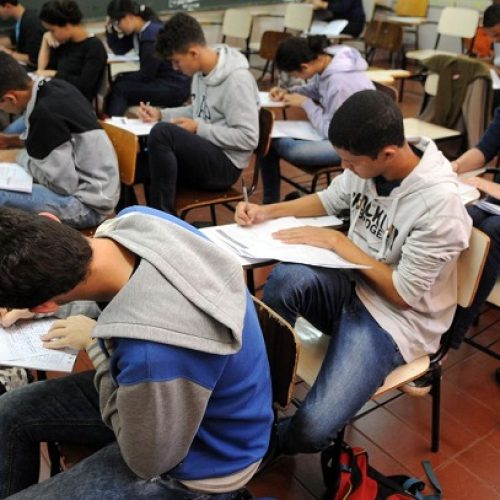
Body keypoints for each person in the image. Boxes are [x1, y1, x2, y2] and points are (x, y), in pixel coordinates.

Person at [235, 90, 472, 456]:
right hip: (350, 282)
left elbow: (403, 295)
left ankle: (263, 445)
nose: (345, 168)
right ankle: (259, 393)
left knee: (312, 431)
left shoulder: (439, 207)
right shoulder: (369, 165)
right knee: (284, 278)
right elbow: (331, 200)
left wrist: (341, 244)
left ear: (388, 154)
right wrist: (270, 211)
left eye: (351, 162)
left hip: (395, 320)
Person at [0, 205, 273, 499]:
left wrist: (95, 342)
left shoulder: (153, 352)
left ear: (43, 305)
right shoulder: (136, 220)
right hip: (174, 394)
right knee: (9, 413)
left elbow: (147, 462)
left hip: (209, 459)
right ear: (50, 220)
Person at [139, 13, 259, 215]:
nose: (176, 69)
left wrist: (199, 128)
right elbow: (197, 111)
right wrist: (161, 114)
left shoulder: (237, 81)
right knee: (137, 165)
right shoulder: (201, 74)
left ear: (193, 53)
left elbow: (248, 138)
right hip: (206, 152)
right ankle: (133, 224)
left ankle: (163, 220)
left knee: (162, 134)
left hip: (226, 165)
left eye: (177, 62)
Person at [0, 52, 119, 228]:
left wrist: (21, 159)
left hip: (88, 205)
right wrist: (14, 144)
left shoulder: (45, 116)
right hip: (100, 185)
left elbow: (64, 186)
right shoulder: (54, 87)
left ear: (11, 97)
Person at [261, 35, 374, 204]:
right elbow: (317, 88)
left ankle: (272, 204)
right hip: (338, 133)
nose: (295, 78)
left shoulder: (340, 83)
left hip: (355, 145)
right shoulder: (327, 59)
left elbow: (332, 132)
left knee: (277, 144)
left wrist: (306, 104)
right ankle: (271, 204)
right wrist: (290, 91)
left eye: (294, 75)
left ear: (305, 67)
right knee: (268, 139)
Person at [105, 0, 191, 116]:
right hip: (162, 81)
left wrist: (122, 77)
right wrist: (110, 31)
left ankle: (115, 126)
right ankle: (113, 121)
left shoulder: (151, 35)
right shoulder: (140, 30)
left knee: (121, 88)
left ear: (129, 17)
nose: (118, 27)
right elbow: (120, 49)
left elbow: (146, 74)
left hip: (174, 88)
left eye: (117, 23)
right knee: (119, 83)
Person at [36, 0, 107, 102]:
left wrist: (54, 74)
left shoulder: (94, 47)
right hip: (57, 96)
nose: (51, 34)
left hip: (76, 103)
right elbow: (41, 71)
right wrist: (45, 41)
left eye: (52, 30)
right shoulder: (64, 43)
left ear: (67, 25)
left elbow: (84, 86)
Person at [0, 0, 45, 69]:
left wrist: (7, 52)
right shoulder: (21, 20)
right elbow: (13, 40)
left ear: (7, 6)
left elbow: (33, 60)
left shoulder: (32, 23)